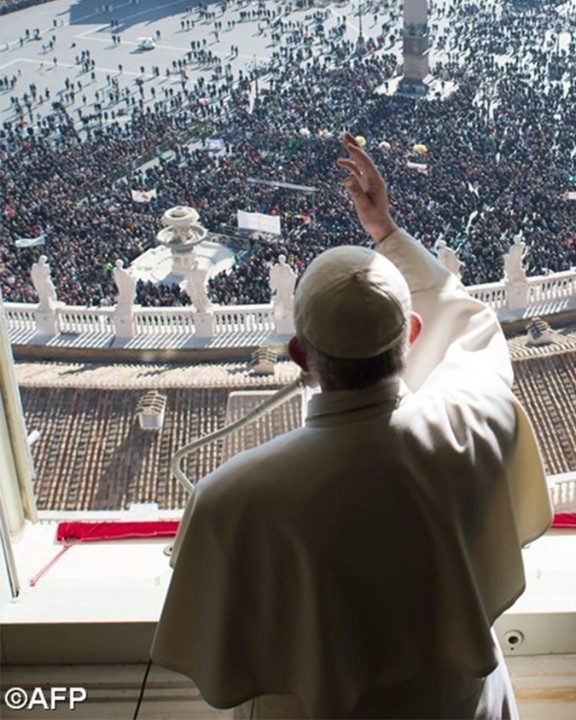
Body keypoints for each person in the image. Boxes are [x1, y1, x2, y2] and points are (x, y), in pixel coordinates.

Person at [150, 133, 554, 719]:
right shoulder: (479, 419)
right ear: (412, 335)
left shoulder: (230, 499)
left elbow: (215, 654)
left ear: (299, 355)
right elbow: (470, 320)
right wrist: (385, 231)